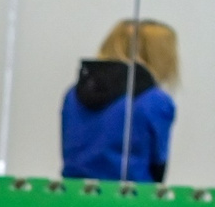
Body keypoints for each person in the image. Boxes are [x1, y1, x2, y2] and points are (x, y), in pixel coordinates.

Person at [62, 18, 178, 183]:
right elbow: (158, 162)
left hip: (75, 195)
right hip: (132, 198)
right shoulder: (155, 100)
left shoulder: (73, 94)